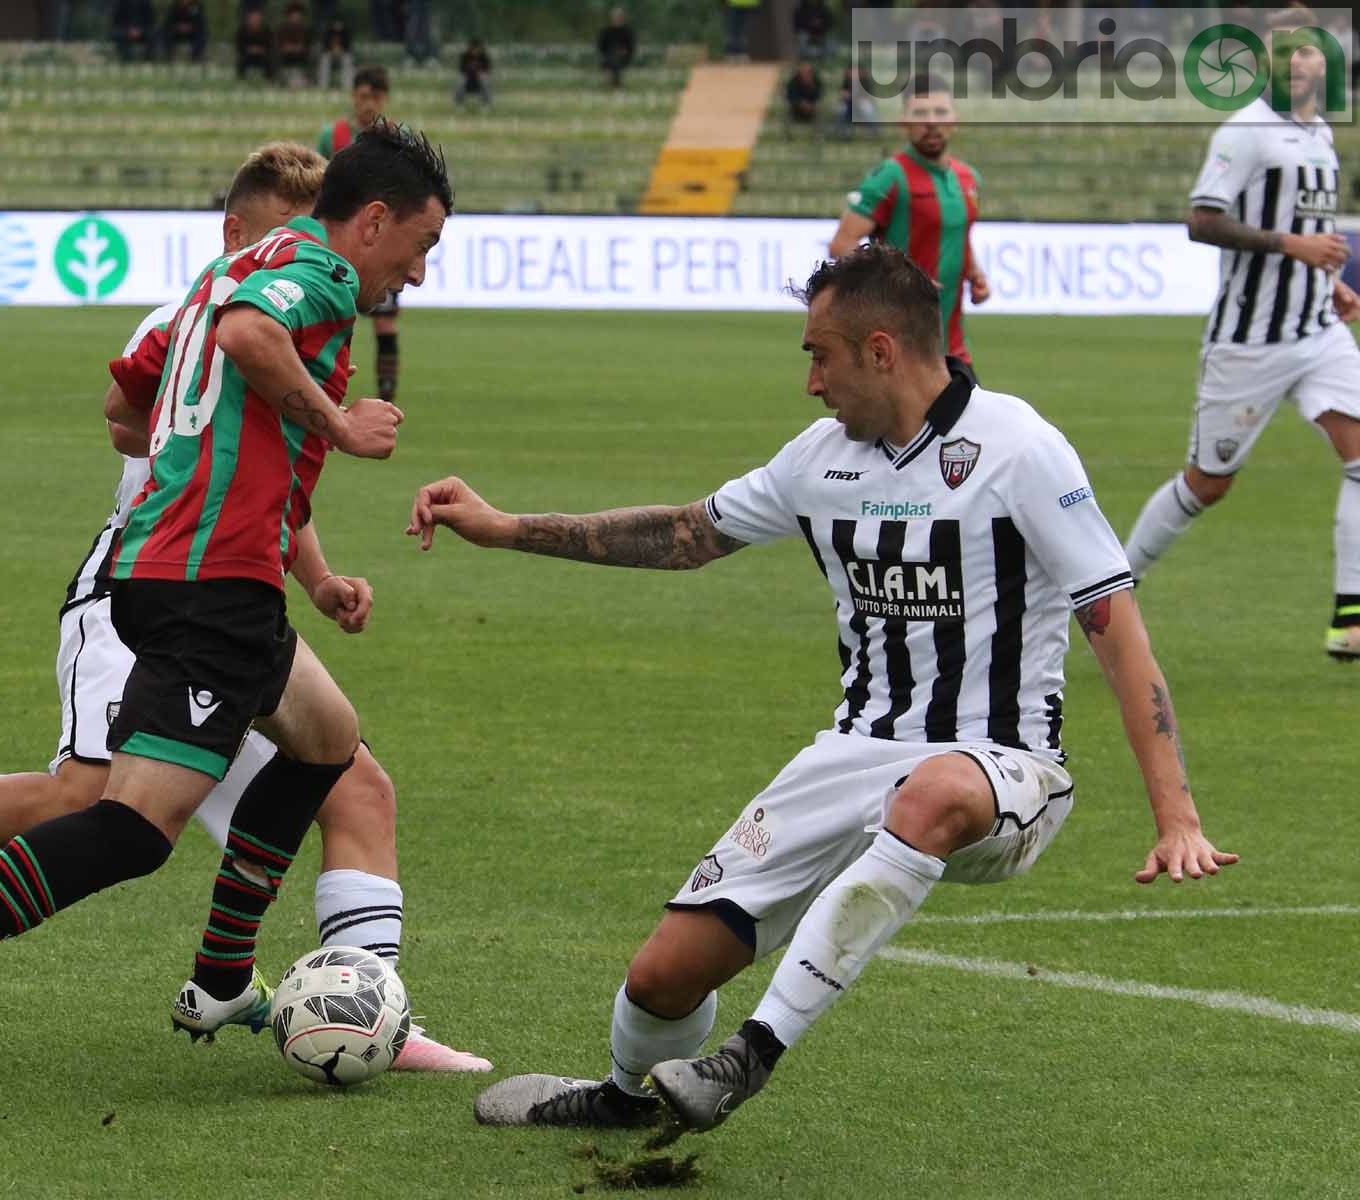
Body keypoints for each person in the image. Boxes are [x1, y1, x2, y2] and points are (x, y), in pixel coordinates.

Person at [406, 243, 1237, 1136]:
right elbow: (686, 534)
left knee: (935, 788)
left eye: (820, 355)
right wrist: (505, 529)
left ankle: (750, 1056)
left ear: (881, 351)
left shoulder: (1020, 449)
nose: (811, 382)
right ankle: (621, 1094)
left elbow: (1118, 633)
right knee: (662, 977)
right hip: (852, 755)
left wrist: (1177, 814)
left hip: (1003, 769)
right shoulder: (818, 459)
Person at [0, 126, 457, 1105]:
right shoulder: (319, 273)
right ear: (371, 221)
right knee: (127, 830)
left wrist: (302, 554)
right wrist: (341, 425)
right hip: (207, 584)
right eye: (418, 247)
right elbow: (251, 340)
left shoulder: (229, 271)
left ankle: (218, 980)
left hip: (202, 567)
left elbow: (134, 401)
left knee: (330, 744)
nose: (416, 273)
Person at [1122, 6, 1360, 660]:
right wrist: (1291, 245)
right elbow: (1201, 220)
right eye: (1283, 52)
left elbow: (1306, 224)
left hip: (1317, 330)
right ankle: (1108, 587)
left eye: (1308, 52)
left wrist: (1326, 279)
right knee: (1208, 482)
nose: (1298, 63)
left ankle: (1350, 618)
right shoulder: (1246, 131)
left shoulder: (1319, 133)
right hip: (1249, 341)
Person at [829, 75, 987, 381]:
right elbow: (841, 245)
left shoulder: (968, 179)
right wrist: (899, 281)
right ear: (904, 122)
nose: (931, 122)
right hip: (901, 353)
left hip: (954, 350)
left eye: (940, 113)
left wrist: (974, 272)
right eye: (920, 114)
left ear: (954, 120)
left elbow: (959, 236)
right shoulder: (890, 176)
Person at [318, 67, 405, 402]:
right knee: (335, 320)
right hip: (339, 244)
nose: (368, 103)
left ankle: (387, 396)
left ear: (385, 99)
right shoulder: (334, 136)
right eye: (363, 95)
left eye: (375, 97)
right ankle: (327, 390)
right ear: (354, 97)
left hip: (380, 245)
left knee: (385, 323)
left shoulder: (397, 139)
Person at [597, 7, 635, 90]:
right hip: (609, 56)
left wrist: (625, 52)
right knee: (613, 59)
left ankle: (615, 85)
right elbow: (601, 46)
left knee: (616, 60)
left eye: (619, 16)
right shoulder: (606, 31)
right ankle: (616, 85)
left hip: (623, 57)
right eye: (615, 16)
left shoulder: (627, 31)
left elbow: (631, 46)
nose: (617, 18)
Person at [277, 2, 314, 82]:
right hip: (286, 57)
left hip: (302, 56)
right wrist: (291, 48)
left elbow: (307, 45)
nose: (295, 17)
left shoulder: (306, 29)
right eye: (293, 15)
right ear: (289, 16)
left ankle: (307, 77)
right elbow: (281, 45)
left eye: (297, 15)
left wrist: (300, 48)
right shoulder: (283, 28)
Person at [318, 11, 355, 90]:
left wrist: (341, 50)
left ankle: (347, 85)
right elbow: (324, 46)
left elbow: (348, 46)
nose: (338, 25)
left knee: (347, 59)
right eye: (336, 23)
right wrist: (332, 50)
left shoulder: (346, 31)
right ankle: (323, 86)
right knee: (324, 59)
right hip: (330, 54)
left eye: (339, 23)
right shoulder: (328, 32)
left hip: (343, 54)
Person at [235, 8, 276, 80]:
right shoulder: (242, 30)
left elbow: (270, 45)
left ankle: (270, 80)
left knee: (270, 61)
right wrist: (249, 49)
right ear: (248, 19)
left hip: (262, 55)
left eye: (257, 18)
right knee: (241, 61)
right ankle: (241, 80)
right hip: (247, 55)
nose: (255, 20)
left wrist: (261, 50)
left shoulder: (266, 30)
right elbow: (239, 45)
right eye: (253, 18)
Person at [454, 38, 492, 109]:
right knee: (461, 80)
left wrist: (480, 72)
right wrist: (470, 69)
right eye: (474, 49)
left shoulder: (484, 57)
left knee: (484, 79)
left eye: (478, 49)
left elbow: (487, 69)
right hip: (468, 78)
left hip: (479, 79)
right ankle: (459, 104)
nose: (476, 51)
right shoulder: (465, 56)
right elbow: (461, 69)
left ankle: (486, 104)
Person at [784, 60, 822, 128]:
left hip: (812, 106)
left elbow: (819, 94)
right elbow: (790, 95)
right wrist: (801, 103)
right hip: (797, 107)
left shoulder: (816, 81)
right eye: (804, 71)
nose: (806, 73)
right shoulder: (793, 81)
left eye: (808, 72)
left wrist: (811, 86)